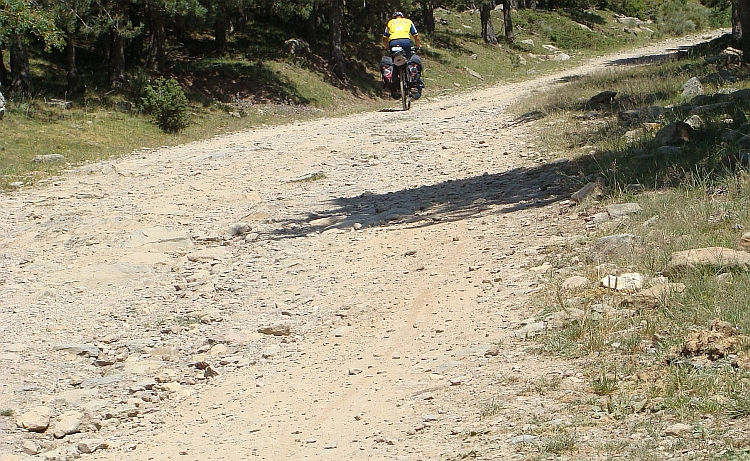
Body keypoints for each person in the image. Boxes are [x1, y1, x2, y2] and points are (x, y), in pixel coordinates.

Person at [381, 12, 424, 100]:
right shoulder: (408, 21)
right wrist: (418, 45)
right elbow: (416, 36)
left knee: (395, 62)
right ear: (402, 17)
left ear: (394, 17)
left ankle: (395, 83)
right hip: (406, 42)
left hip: (393, 43)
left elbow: (385, 37)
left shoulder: (390, 22)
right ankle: (411, 81)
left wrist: (387, 47)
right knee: (408, 60)